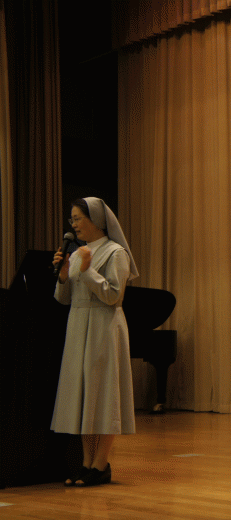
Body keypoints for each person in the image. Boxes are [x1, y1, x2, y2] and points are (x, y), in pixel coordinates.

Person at [51, 197, 139, 487]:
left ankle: (101, 464)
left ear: (96, 220)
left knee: (104, 395)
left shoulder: (116, 253)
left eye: (78, 218)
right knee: (84, 395)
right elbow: (64, 299)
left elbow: (113, 296)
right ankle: (86, 463)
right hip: (78, 326)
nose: (74, 224)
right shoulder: (77, 253)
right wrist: (64, 275)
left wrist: (87, 270)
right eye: (72, 219)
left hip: (104, 326)